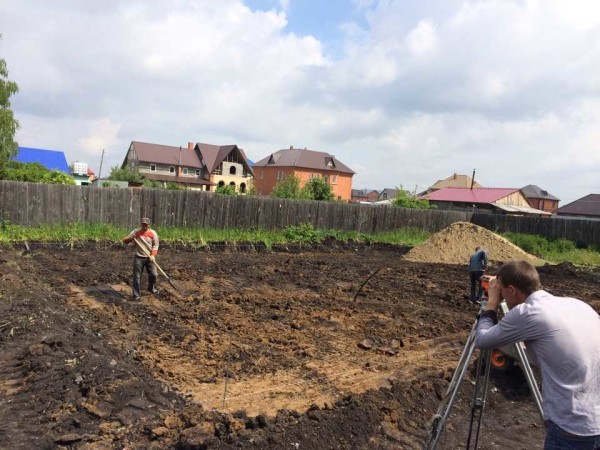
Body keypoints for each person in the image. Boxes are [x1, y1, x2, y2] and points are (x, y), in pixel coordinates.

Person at [475, 260, 600, 449]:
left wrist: (492, 304)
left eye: (500, 289)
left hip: (572, 428)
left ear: (511, 290)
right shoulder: (578, 305)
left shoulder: (529, 312)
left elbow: (483, 340)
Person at [122, 217, 160, 301]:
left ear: (149, 225)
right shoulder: (136, 232)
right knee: (137, 276)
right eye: (143, 224)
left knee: (154, 274)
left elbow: (156, 245)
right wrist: (131, 238)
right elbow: (124, 241)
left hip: (150, 257)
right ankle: (136, 295)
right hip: (139, 257)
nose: (144, 226)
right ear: (141, 224)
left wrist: (153, 255)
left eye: (146, 225)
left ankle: (151, 288)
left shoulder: (153, 233)